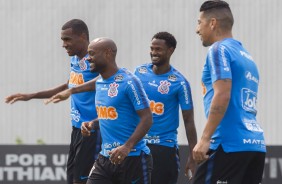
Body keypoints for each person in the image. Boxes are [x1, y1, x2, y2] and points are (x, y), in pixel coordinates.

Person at [5, 19, 101, 184]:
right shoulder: (75, 60)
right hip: (77, 128)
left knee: (81, 179)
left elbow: (107, 80)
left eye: (67, 39)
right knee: (71, 177)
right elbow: (68, 84)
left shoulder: (94, 60)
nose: (64, 44)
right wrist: (32, 95)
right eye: (62, 40)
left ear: (83, 37)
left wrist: (71, 91)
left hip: (92, 129)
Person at [192, 1, 266, 184]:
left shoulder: (219, 49)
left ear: (213, 23)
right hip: (254, 145)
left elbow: (222, 95)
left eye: (199, 22)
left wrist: (204, 139)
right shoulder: (247, 56)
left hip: (228, 144)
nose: (197, 29)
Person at [81, 37, 153, 184]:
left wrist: (127, 146)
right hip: (105, 159)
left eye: (92, 53)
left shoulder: (129, 82)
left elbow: (147, 118)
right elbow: (110, 115)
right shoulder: (99, 82)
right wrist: (92, 124)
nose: (88, 58)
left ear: (108, 53)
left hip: (133, 159)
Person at [134, 32, 197, 184]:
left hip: (163, 148)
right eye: (152, 48)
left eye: (158, 49)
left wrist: (193, 156)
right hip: (138, 145)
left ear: (170, 50)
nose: (153, 53)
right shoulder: (139, 72)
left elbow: (188, 121)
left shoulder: (180, 82)